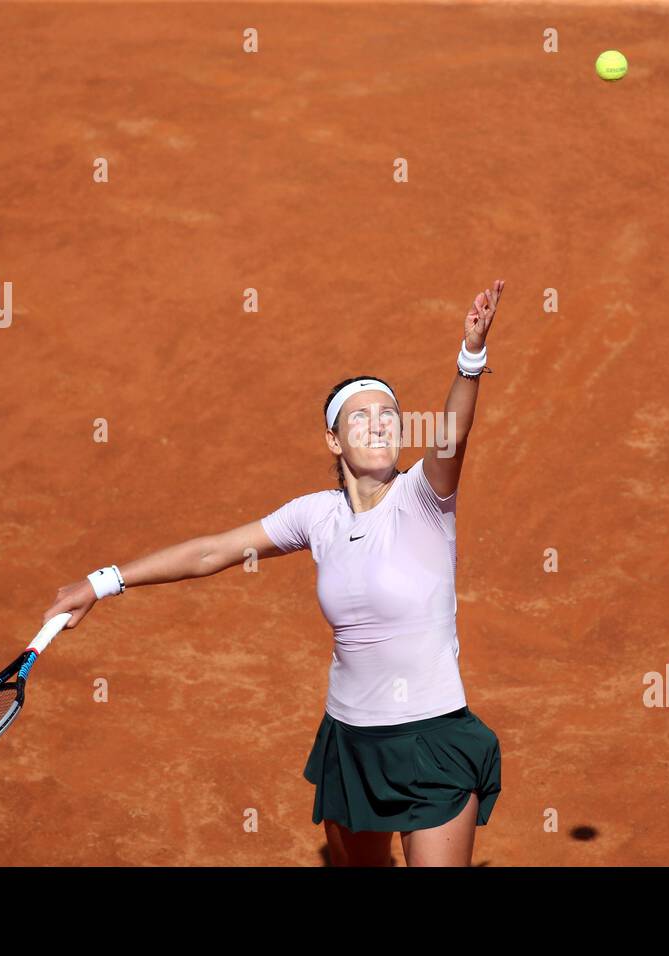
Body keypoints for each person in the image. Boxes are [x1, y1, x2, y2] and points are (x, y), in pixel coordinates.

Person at [44, 280, 506, 866]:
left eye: (389, 414)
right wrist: (101, 581)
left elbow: (453, 435)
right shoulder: (316, 515)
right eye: (360, 417)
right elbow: (214, 552)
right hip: (352, 740)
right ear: (332, 440)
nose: (379, 424)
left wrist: (470, 358)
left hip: (432, 739)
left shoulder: (423, 497)